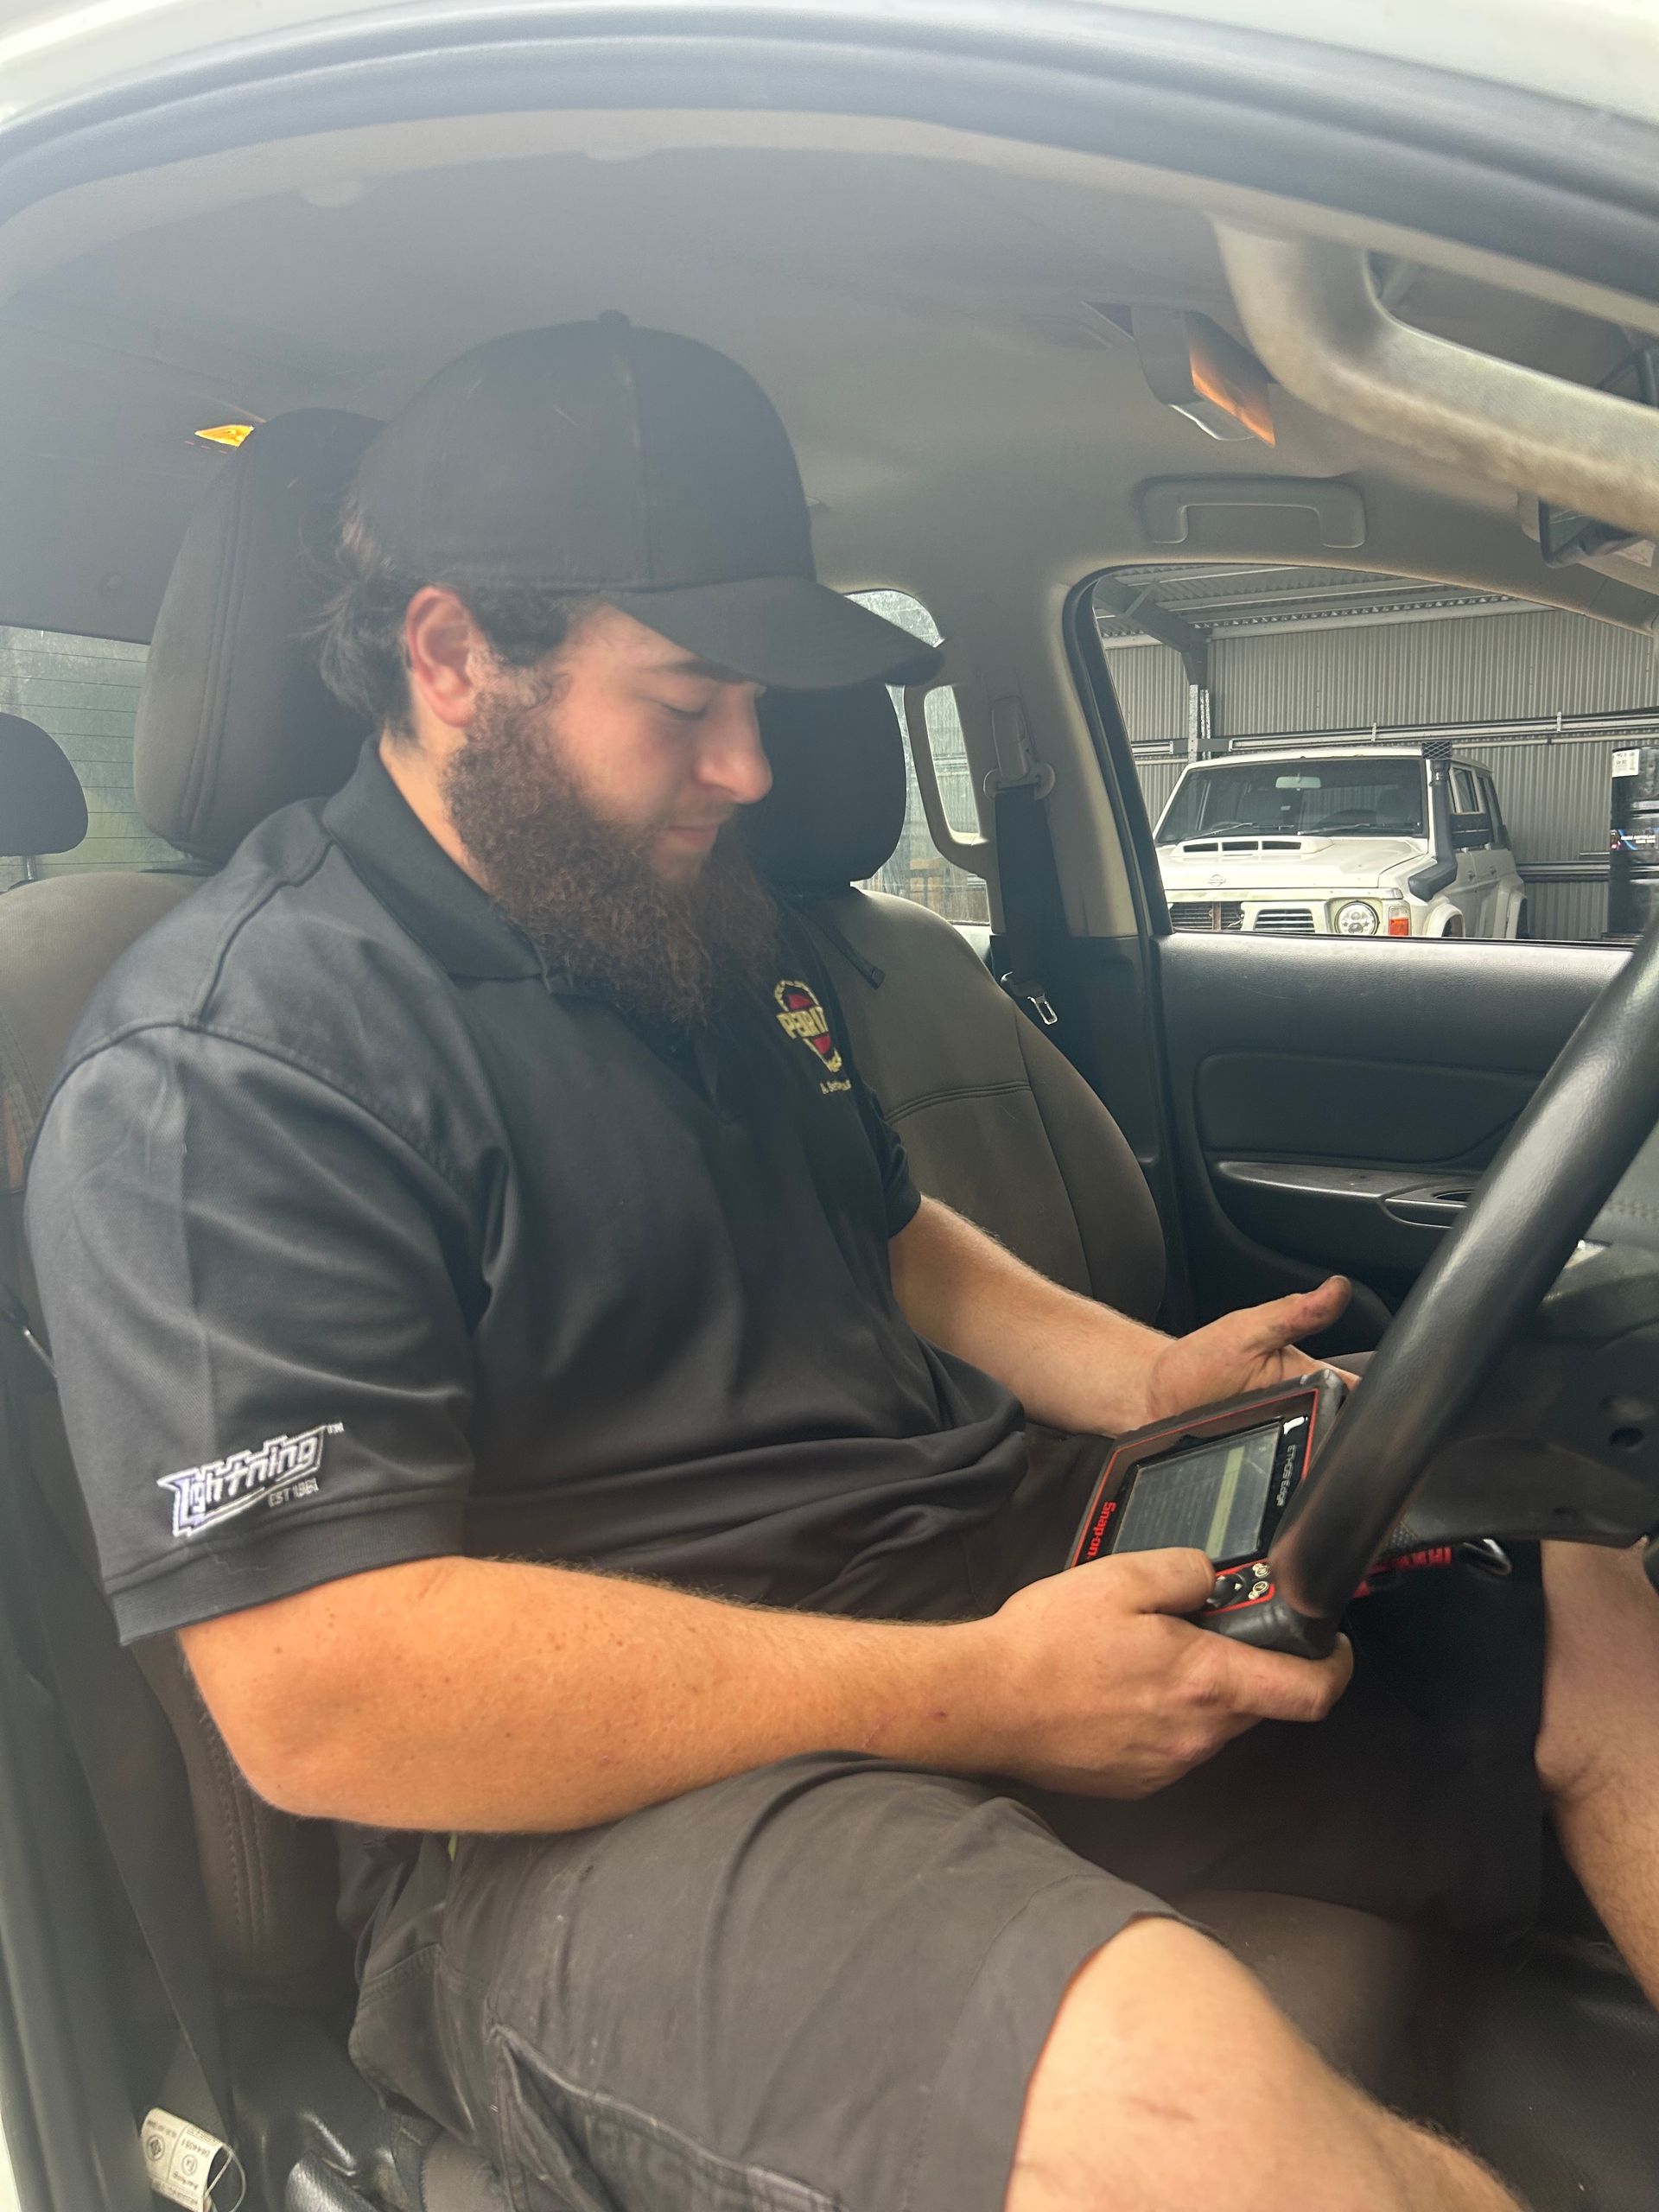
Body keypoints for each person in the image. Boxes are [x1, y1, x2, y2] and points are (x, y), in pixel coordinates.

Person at [24, 317, 1659, 2212]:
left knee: (1592, 1609)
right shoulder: (230, 1066)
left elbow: (880, 1229)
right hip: (582, 1828)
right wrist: (971, 1692)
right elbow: (319, 1688)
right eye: (688, 694)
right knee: (1194, 2108)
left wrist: (1142, 1383)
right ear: (455, 654)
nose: (747, 761)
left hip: (954, 1590)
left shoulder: (691, 927)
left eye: (766, 696)